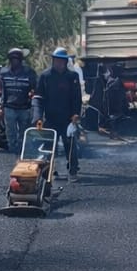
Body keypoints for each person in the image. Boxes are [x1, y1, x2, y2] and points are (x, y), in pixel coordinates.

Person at [34, 47, 84, 180]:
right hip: (51, 118)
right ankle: (49, 171)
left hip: (68, 119)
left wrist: (76, 114)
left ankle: (73, 170)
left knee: (70, 145)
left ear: (66, 62)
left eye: (62, 61)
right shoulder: (45, 76)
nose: (59, 63)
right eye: (57, 60)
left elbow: (77, 98)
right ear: (53, 60)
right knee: (49, 147)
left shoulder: (72, 77)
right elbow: (38, 98)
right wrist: (38, 117)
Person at [0, 47, 38, 157]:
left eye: (17, 59)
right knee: (10, 132)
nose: (14, 62)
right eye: (12, 59)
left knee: (24, 132)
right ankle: (12, 152)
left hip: (25, 107)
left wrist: (33, 98)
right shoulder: (4, 72)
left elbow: (36, 89)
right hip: (9, 106)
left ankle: (22, 150)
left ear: (21, 60)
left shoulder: (29, 72)